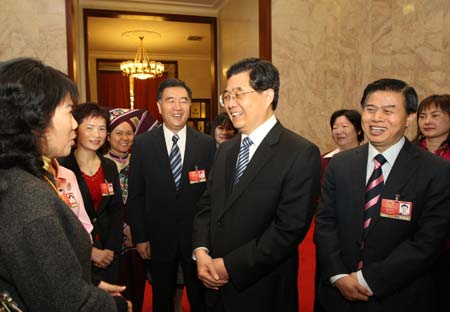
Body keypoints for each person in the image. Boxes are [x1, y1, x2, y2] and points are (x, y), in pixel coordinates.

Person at [192, 58, 321, 312]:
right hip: (215, 289)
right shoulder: (226, 150)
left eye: (239, 94)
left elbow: (288, 230)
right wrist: (201, 251)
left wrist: (229, 266)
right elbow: (207, 204)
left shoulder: (299, 152)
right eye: (226, 95)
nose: (230, 103)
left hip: (262, 289)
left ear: (267, 95)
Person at [0, 57, 129, 311]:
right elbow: (68, 304)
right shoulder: (28, 201)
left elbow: (41, 272)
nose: (74, 124)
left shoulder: (20, 179)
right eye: (70, 112)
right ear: (36, 118)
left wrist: (89, 282)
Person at [314, 78, 450, 312]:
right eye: (370, 109)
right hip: (336, 295)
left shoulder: (436, 170)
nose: (377, 118)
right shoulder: (340, 164)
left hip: (399, 296)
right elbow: (325, 222)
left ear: (408, 118)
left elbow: (427, 241)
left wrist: (366, 280)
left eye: (388, 111)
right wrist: (338, 275)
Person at [128, 78, 216, 312]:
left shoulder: (206, 144)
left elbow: (212, 195)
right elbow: (136, 194)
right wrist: (140, 236)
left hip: (196, 240)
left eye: (184, 101)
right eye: (171, 101)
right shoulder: (143, 144)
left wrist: (208, 240)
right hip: (158, 238)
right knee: (161, 299)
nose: (178, 107)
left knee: (200, 300)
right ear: (159, 106)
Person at [60, 103, 123, 285]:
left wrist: (111, 248)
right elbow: (65, 216)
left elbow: (116, 209)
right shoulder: (62, 166)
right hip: (77, 252)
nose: (97, 135)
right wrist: (90, 251)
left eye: (102, 129)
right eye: (90, 128)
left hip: (108, 252)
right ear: (75, 129)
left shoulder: (109, 166)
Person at [105, 108, 157, 312]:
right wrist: (122, 229)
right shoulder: (101, 165)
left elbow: (148, 200)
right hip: (111, 242)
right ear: (108, 137)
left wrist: (138, 231)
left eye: (129, 133)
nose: (125, 138)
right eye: (119, 133)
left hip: (139, 239)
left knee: (137, 290)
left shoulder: (141, 162)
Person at [414, 94, 450, 310]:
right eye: (423, 116)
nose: (427, 121)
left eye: (435, 115)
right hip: (412, 237)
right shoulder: (409, 151)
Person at [321, 109, 364, 181]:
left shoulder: (368, 159)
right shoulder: (324, 160)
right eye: (335, 128)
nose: (339, 131)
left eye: (344, 126)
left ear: (359, 130)